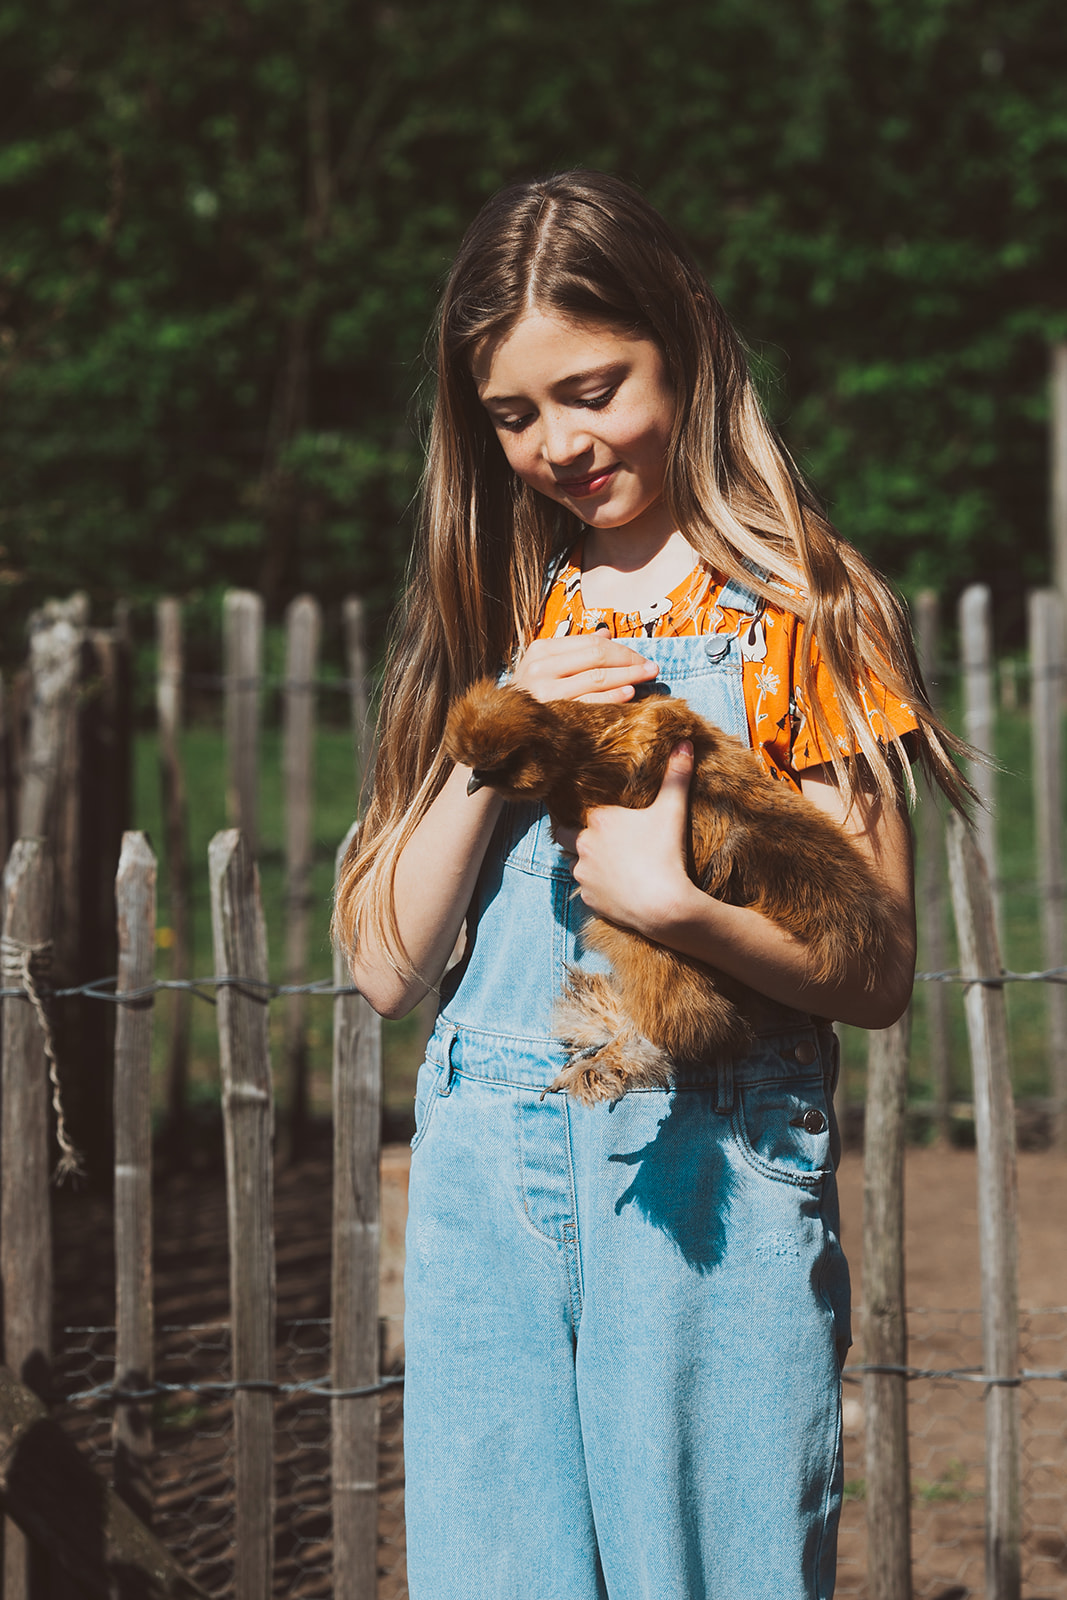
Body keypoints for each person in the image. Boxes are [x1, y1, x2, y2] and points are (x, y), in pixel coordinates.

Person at [333, 170, 970, 1600]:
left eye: (593, 388)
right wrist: (491, 727)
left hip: (708, 1162)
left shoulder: (814, 614)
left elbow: (874, 971)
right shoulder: (490, 609)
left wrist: (678, 910)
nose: (559, 443)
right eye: (513, 415)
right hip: (488, 1170)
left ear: (683, 340)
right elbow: (384, 962)